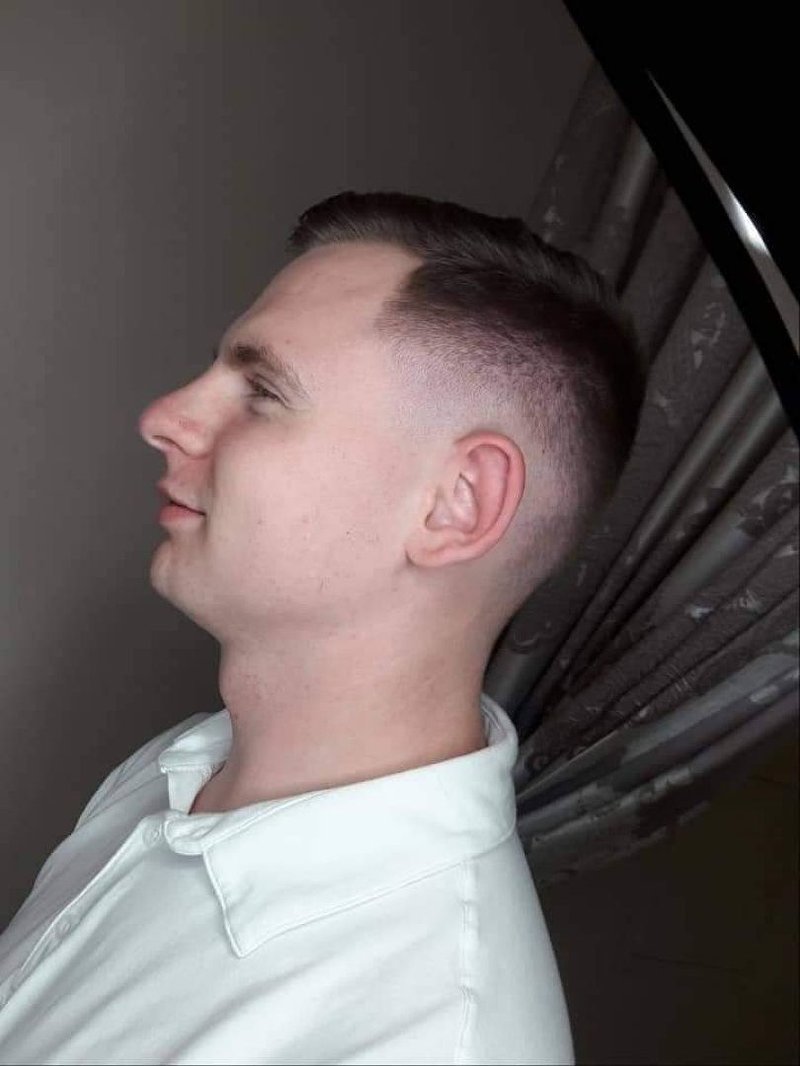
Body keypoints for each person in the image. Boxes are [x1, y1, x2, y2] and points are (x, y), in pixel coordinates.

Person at [0, 191, 644, 1064]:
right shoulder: (179, 768)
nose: (164, 419)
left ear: (456, 504)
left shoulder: (423, 1042)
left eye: (263, 391)